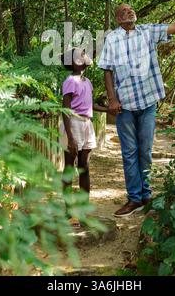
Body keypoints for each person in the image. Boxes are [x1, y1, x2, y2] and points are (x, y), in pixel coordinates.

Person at [98, 1, 175, 217]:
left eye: (131, 9)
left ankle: (146, 196)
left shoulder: (147, 31)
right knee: (129, 153)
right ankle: (134, 199)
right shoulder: (111, 38)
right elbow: (107, 70)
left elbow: (174, 27)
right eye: (124, 11)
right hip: (124, 106)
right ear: (118, 19)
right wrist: (112, 99)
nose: (130, 11)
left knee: (145, 151)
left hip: (148, 102)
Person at [60, 48, 108, 226]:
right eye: (81, 55)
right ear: (74, 62)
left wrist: (108, 109)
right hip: (72, 124)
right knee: (69, 167)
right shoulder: (70, 81)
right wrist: (70, 137)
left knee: (84, 167)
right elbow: (65, 110)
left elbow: (90, 104)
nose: (86, 56)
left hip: (87, 124)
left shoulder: (87, 81)